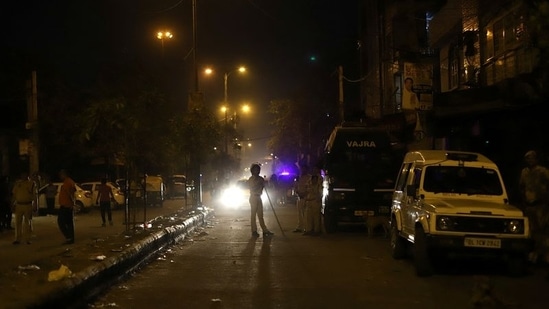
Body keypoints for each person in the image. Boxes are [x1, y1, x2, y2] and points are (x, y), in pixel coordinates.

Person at [247, 163, 274, 237]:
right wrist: (260, 184)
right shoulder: (251, 179)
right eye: (255, 170)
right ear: (252, 171)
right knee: (253, 215)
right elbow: (253, 188)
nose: (256, 171)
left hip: (259, 197)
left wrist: (264, 184)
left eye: (257, 170)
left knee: (260, 215)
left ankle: (265, 230)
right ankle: (254, 230)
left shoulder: (261, 179)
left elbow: (264, 187)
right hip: (253, 197)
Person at [11, 172, 37, 244]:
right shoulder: (17, 184)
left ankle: (27, 239)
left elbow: (35, 195)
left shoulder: (31, 183)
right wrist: (12, 204)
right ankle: (17, 238)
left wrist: (35, 205)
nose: (23, 176)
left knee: (27, 222)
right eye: (22, 175)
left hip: (27, 204)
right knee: (18, 222)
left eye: (25, 175)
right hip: (19, 204)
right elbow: (14, 195)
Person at [58, 169, 76, 244]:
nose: (60, 176)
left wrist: (72, 203)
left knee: (61, 222)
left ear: (65, 174)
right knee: (69, 223)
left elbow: (70, 194)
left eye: (61, 174)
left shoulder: (67, 183)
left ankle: (69, 237)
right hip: (67, 205)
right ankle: (70, 238)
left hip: (66, 205)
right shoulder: (69, 182)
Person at [304, 168, 323, 236]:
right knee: (309, 217)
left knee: (316, 217)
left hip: (315, 201)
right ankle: (309, 230)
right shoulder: (309, 180)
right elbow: (306, 189)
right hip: (309, 201)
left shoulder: (319, 181)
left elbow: (320, 193)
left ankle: (316, 231)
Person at [293, 165, 310, 233]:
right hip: (299, 197)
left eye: (304, 169)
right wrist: (297, 192)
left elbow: (309, 187)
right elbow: (296, 187)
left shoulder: (309, 178)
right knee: (300, 213)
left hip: (306, 198)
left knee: (306, 214)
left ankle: (307, 228)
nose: (302, 171)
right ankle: (300, 227)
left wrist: (305, 194)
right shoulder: (298, 177)